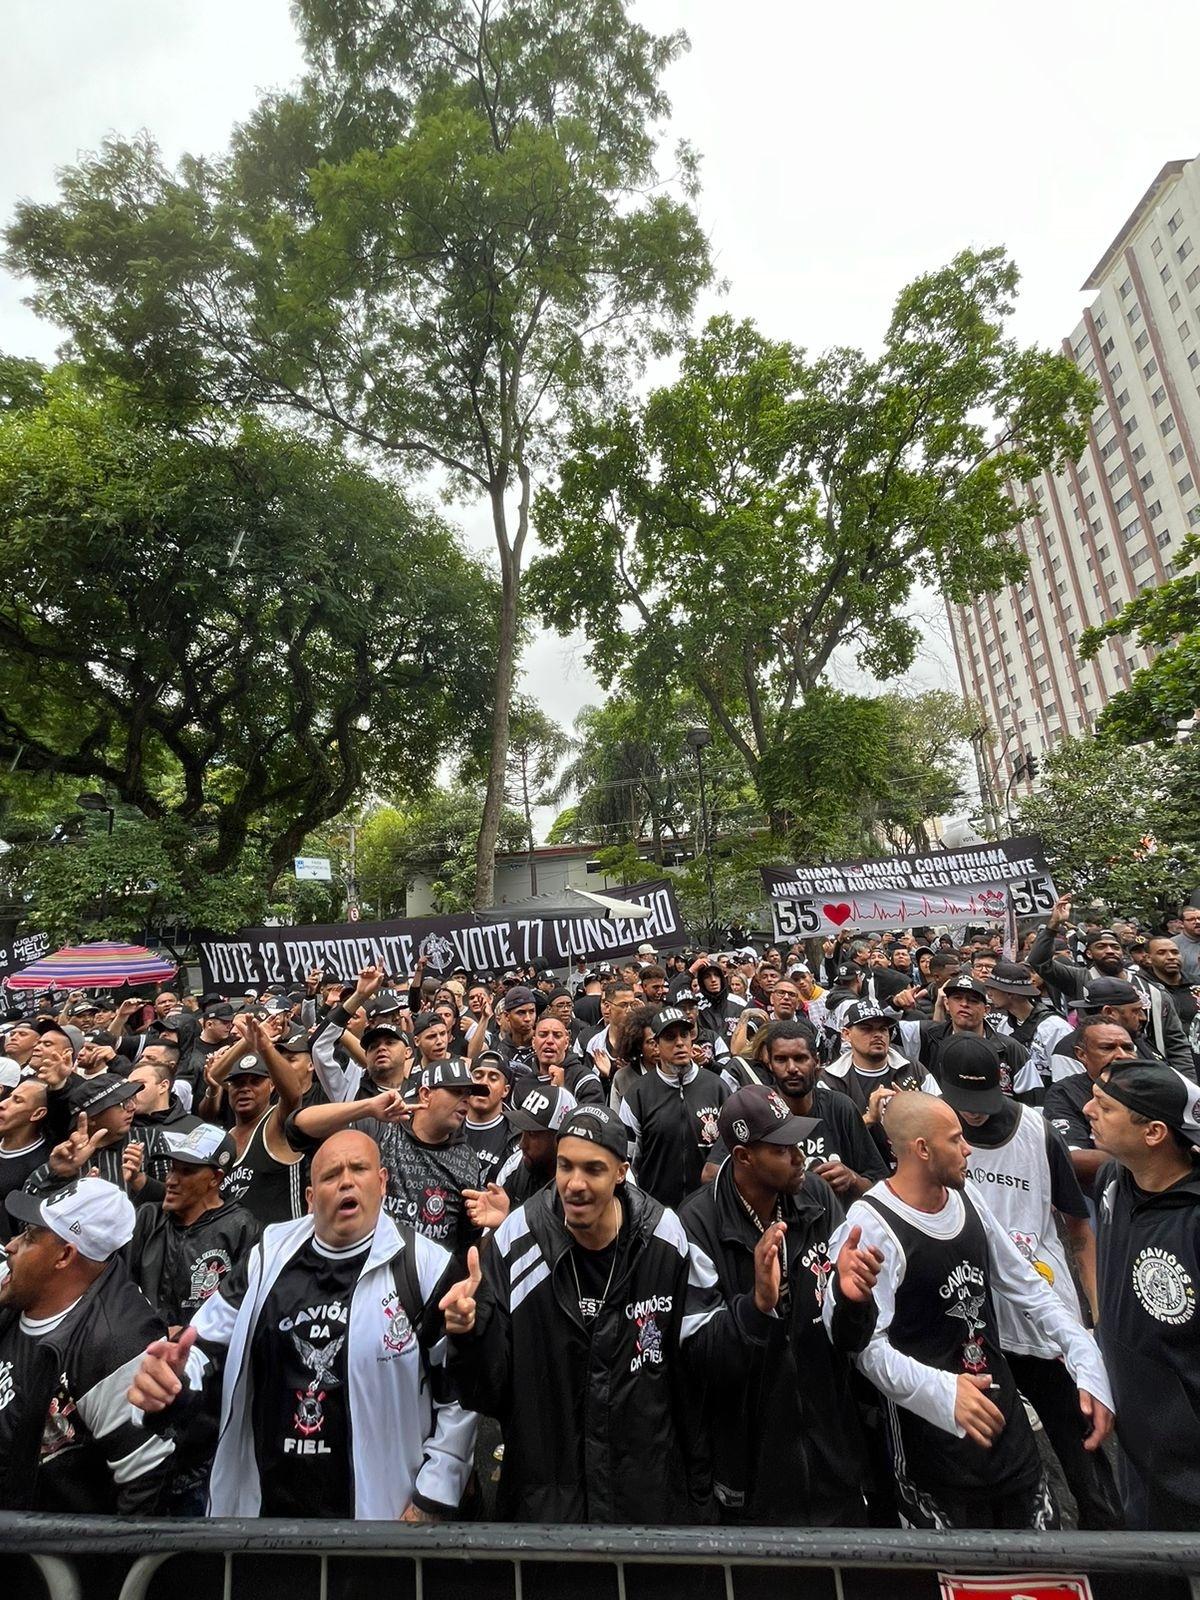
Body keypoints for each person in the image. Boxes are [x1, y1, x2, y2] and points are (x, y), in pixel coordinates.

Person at [128, 1130, 475, 1520]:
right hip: (267, 1515)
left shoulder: (424, 1267)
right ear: (310, 1199)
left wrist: (434, 1494)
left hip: (379, 1518)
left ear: (381, 1183)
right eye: (330, 1175)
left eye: (359, 1169)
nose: (346, 1180)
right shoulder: (266, 1258)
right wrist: (170, 1384)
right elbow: (204, 1346)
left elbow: (459, 1393)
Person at [829, 1091, 1113, 1530]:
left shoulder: (967, 1198)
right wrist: (943, 1392)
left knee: (1040, 1565)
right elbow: (867, 1351)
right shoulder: (870, 1227)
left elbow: (1027, 1286)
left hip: (1004, 1426)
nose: (968, 1149)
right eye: (956, 1139)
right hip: (932, 1445)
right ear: (922, 1149)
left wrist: (1084, 1354)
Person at [442, 1103, 713, 1523]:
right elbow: (489, 1392)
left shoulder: (664, 1237)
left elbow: (688, 1380)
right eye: (565, 1166)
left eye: (593, 1169)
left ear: (622, 1171)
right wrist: (470, 1331)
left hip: (641, 1498)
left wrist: (696, 1494)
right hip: (545, 1502)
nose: (575, 1184)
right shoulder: (518, 1237)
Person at [938, 1035, 1123, 1529]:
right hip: (975, 1317)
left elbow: (1078, 1229)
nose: (973, 1118)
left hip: (1043, 1312)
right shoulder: (932, 1137)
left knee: (1081, 1446)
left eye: (981, 1106)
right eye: (963, 1108)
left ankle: (1113, 1545)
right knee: (996, 1453)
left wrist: (1093, 1309)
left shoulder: (1036, 1131)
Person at [678, 1085, 883, 1524]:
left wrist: (854, 1300)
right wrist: (756, 1308)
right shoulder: (697, 1222)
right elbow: (699, 1357)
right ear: (744, 1158)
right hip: (751, 1468)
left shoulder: (816, 1199)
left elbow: (850, 1340)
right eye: (782, 1148)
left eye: (797, 1142)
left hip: (831, 1449)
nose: (799, 1157)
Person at [0, 1176, 174, 1512]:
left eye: (30, 1236)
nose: (12, 1245)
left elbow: (145, 1492)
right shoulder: (18, 1286)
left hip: (47, 1555)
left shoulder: (117, 1349)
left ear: (64, 1256)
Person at [1085, 1060, 1200, 1529]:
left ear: (1154, 1132)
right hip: (1139, 1446)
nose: (1088, 1109)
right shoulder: (1115, 1180)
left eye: (1105, 1107)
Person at [289, 1059, 483, 1254]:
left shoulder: (468, 1164)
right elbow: (297, 1127)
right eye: (456, 1092)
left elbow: (466, 1244)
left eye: (468, 1094)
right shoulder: (379, 1129)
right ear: (425, 1095)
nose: (466, 1100)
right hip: (363, 1264)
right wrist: (367, 1107)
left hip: (425, 1276)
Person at [1030, 895, 1193, 1079]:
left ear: (1122, 952)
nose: (1109, 951)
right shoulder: (1078, 978)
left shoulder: (1152, 989)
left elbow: (1176, 1043)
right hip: (1099, 1076)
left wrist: (1189, 1087)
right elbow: (1038, 961)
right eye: (1101, 947)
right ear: (1089, 953)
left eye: (1115, 947)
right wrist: (1053, 925)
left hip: (1154, 1074)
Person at [127, 1125, 262, 1329]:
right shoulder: (148, 1218)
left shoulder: (241, 1228)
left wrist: (192, 1334)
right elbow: (121, 1289)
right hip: (145, 1349)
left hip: (207, 1354)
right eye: (172, 1168)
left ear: (215, 1178)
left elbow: (244, 1307)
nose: (171, 1180)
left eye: (186, 1171)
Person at [618, 1006, 728, 1208]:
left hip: (710, 1210)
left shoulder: (718, 1087)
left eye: (684, 1035)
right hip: (657, 1212)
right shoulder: (638, 1095)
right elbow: (626, 1160)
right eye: (670, 1037)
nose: (679, 1043)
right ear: (656, 1045)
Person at [1044, 1019, 1136, 1191]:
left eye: (1128, 1048)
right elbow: (1072, 1158)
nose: (1121, 1055)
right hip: (1103, 1196)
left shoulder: (1155, 1085)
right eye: (1107, 1048)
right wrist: (1151, 1161)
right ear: (1081, 1054)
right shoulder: (1066, 1093)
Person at [918, 973, 1033, 1096]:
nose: (964, 1004)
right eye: (957, 998)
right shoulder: (928, 1037)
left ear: (986, 1010)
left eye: (973, 1000)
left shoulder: (1011, 1049)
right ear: (947, 1004)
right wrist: (895, 1005)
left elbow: (1032, 1099)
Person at [984, 962, 1073, 1094]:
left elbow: (1069, 1080)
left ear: (1010, 993)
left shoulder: (1055, 1029)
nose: (989, 994)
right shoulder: (1003, 1027)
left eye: (993, 988)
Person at [0, 1079, 49, 1242]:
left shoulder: (43, 1165)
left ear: (37, 1113)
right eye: (9, 1096)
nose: (3, 1104)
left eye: (17, 1100)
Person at [463, 1052, 514, 1187]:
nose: (484, 1083)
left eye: (493, 1078)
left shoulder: (516, 1135)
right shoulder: (448, 1125)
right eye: (478, 1076)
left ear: (505, 1090)